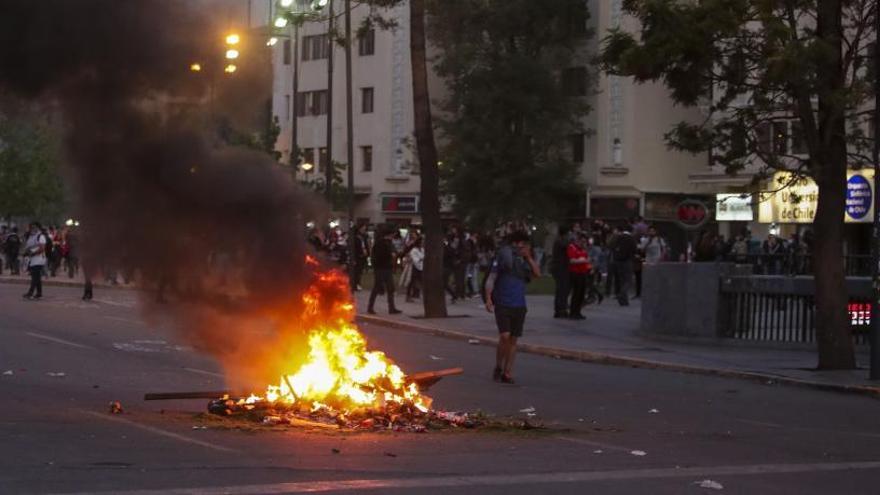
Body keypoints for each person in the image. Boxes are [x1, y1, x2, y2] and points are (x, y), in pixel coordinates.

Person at [484, 231, 541, 384]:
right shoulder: (503, 257)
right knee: (505, 336)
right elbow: (491, 277)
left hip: (519, 304)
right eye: (523, 244)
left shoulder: (524, 262)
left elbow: (537, 274)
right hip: (502, 303)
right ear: (516, 243)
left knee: (513, 339)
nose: (524, 247)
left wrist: (528, 257)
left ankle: (507, 372)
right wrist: (489, 298)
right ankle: (498, 365)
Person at [367, 227, 402, 315]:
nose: (394, 235)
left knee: (390, 288)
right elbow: (379, 256)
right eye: (393, 234)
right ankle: (370, 307)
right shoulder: (380, 243)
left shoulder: (389, 243)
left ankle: (391, 307)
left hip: (387, 268)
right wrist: (390, 255)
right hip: (381, 268)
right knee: (377, 287)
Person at [610, 224, 637, 306]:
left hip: (618, 260)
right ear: (632, 231)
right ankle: (622, 293)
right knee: (628, 280)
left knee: (622, 279)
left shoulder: (618, 237)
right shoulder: (631, 238)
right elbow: (634, 249)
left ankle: (624, 301)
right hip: (627, 260)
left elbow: (612, 246)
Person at [566, 233, 591, 319]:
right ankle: (573, 312)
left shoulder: (583, 249)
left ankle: (578, 311)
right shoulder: (572, 247)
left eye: (584, 242)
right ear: (578, 240)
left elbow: (587, 259)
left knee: (581, 293)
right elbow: (572, 260)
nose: (583, 243)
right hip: (575, 272)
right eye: (582, 241)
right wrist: (582, 261)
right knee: (576, 293)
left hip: (583, 272)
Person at [550, 225, 572, 318]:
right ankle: (561, 309)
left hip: (560, 267)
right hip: (560, 268)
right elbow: (566, 246)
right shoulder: (560, 241)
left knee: (562, 289)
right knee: (562, 289)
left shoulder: (559, 240)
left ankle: (560, 309)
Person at [22, 222, 47, 300]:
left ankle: (30, 293)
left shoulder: (41, 236)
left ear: (38, 228)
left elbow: (42, 248)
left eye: (35, 227)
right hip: (32, 259)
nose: (33, 229)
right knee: (36, 277)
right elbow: (28, 247)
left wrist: (33, 253)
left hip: (39, 259)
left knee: (35, 277)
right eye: (31, 227)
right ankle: (39, 293)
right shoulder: (31, 236)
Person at [351, 224, 369, 291]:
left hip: (362, 256)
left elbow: (365, 245)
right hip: (357, 256)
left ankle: (358, 283)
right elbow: (354, 248)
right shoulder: (355, 238)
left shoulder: (363, 237)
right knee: (356, 271)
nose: (364, 230)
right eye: (363, 229)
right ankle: (355, 284)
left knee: (360, 271)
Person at [407, 237, 424, 302]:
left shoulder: (422, 249)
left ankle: (417, 293)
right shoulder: (414, 250)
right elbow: (415, 259)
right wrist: (422, 259)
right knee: (412, 281)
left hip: (421, 267)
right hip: (415, 267)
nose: (423, 243)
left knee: (421, 281)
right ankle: (408, 296)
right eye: (422, 242)